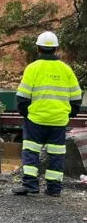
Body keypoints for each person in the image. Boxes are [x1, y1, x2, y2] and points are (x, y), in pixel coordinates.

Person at [12, 31, 81, 197]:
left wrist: (26, 114)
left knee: (30, 151)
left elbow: (22, 97)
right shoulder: (66, 70)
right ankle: (54, 189)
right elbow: (77, 98)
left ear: (38, 48)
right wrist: (69, 114)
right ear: (56, 49)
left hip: (36, 119)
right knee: (57, 154)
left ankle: (30, 185)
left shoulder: (33, 68)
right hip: (58, 120)